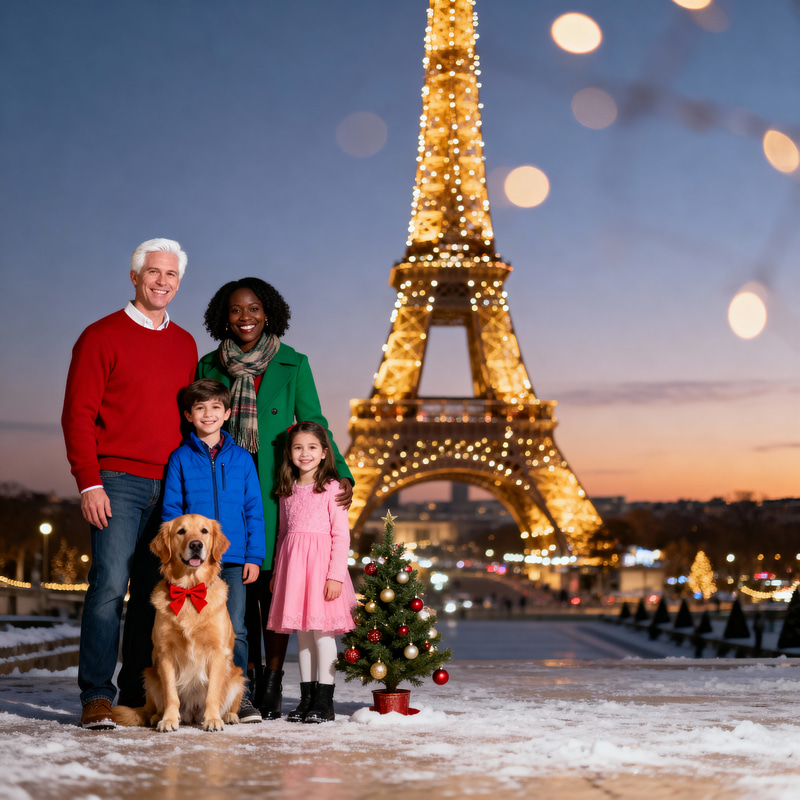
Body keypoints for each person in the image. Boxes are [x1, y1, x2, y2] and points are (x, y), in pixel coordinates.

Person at [196, 277, 353, 719]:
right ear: (222, 317)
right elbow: (198, 423)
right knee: (239, 592)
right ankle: (244, 682)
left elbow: (315, 420)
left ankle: (273, 682)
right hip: (226, 488)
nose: (245, 317)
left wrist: (339, 472)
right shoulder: (210, 364)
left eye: (253, 309)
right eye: (235, 310)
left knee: (275, 591)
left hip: (278, 486)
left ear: (269, 313)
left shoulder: (293, 363)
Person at [61, 238, 198, 729]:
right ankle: (96, 694)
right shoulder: (100, 335)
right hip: (116, 481)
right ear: (135, 276)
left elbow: (190, 421)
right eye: (154, 272)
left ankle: (136, 693)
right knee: (107, 587)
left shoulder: (185, 344)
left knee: (151, 592)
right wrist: (88, 482)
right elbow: (78, 414)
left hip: (170, 485)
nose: (162, 281)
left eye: (171, 275)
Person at [161, 379, 266, 723]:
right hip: (192, 564)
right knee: (187, 629)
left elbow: (254, 509)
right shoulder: (179, 458)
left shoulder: (242, 459)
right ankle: (185, 698)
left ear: (228, 414)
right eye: (200, 408)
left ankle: (240, 698)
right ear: (189, 415)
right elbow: (171, 511)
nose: (208, 414)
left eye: (216, 408)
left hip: (232, 559)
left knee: (237, 628)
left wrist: (254, 556)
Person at [267, 421, 357, 723]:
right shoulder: (287, 490)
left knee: (322, 636)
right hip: (294, 572)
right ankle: (306, 700)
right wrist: (278, 574)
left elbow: (340, 537)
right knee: (303, 636)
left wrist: (335, 576)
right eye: (298, 447)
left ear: (323, 453)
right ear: (289, 453)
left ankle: (325, 700)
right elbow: (282, 535)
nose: (304, 453)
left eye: (312, 447)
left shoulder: (332, 489)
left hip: (322, 573)